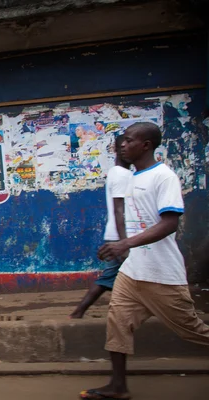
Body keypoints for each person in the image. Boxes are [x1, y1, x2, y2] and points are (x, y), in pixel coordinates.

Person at [80, 122, 209, 399]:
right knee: (118, 322)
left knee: (193, 331)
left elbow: (169, 223)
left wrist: (125, 243)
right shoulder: (132, 178)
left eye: (128, 141)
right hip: (132, 272)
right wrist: (118, 247)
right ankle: (118, 386)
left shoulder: (163, 177)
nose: (122, 145)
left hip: (161, 275)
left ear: (146, 145)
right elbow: (133, 221)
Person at [70, 134, 132, 319]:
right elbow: (119, 211)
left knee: (115, 277)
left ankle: (80, 312)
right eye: (124, 145)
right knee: (113, 277)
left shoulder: (116, 172)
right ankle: (78, 312)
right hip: (121, 235)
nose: (126, 148)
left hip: (119, 235)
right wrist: (125, 242)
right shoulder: (122, 175)